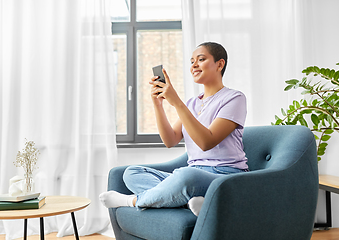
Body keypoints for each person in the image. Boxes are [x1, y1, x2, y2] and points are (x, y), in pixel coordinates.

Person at [99, 42, 249, 216]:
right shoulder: (193, 103)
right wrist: (158, 105)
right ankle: (188, 203)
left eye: (201, 59)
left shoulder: (234, 98)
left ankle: (131, 201)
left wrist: (176, 102)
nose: (194, 65)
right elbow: (170, 140)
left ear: (220, 64)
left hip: (224, 175)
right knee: (132, 173)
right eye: (192, 61)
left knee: (185, 176)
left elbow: (206, 142)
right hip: (193, 173)